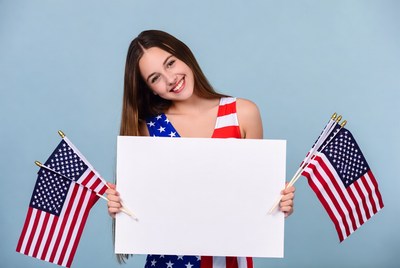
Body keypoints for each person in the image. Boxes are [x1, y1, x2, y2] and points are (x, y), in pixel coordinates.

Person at [106, 30, 295, 268]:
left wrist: (278, 204)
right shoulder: (148, 128)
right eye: (155, 78)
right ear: (150, 89)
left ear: (185, 55)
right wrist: (120, 205)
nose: (170, 78)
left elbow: (253, 197)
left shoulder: (243, 114)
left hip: (228, 261)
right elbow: (147, 208)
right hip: (169, 262)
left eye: (171, 63)